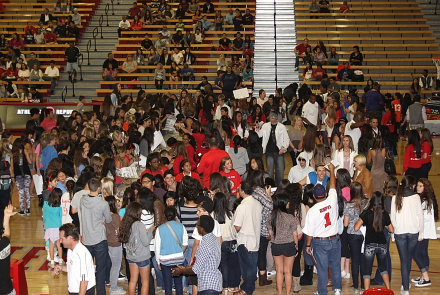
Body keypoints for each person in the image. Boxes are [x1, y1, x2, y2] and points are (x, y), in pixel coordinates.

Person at [303, 163, 342, 295]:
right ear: (325, 193)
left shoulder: (312, 211)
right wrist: (331, 169)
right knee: (336, 266)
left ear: (314, 196)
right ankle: (337, 289)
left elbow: (309, 232)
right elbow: (332, 185)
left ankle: (322, 292)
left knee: (322, 268)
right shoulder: (332, 200)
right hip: (335, 239)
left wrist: (308, 245)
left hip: (320, 243)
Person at [172, 215, 222, 295]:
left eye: (197, 225)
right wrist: (185, 268)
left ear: (202, 228)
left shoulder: (205, 245)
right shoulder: (215, 239)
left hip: (207, 285)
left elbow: (196, 269)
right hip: (214, 283)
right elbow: (202, 264)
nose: (196, 227)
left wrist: (181, 271)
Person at [390, 175, 424, 295]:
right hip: (413, 232)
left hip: (400, 232)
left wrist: (393, 235)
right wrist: (422, 232)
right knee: (408, 258)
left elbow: (392, 218)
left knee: (404, 260)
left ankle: (405, 287)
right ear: (412, 185)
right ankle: (405, 285)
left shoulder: (395, 197)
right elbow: (420, 217)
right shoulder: (416, 197)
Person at [354, 191, 393, 291]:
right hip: (382, 245)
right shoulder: (384, 214)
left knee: (367, 270)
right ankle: (388, 289)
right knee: (383, 268)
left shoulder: (366, 213)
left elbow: (356, 228)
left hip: (369, 245)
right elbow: (392, 230)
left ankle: (367, 291)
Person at [80, 178, 112, 295]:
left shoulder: (82, 200)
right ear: (99, 188)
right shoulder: (103, 204)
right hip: (99, 239)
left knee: (87, 269)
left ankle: (88, 292)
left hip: (87, 239)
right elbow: (108, 219)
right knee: (101, 271)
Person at [119, 202, 154, 295]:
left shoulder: (126, 224)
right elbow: (146, 242)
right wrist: (150, 230)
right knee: (145, 282)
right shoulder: (139, 224)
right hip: (142, 257)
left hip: (131, 256)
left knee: (133, 281)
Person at [234, 181, 262, 295]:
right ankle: (249, 287)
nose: (238, 190)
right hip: (255, 239)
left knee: (247, 269)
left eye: (239, 189)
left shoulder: (242, 207)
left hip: (245, 241)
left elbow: (237, 227)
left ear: (243, 191)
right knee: (252, 267)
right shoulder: (257, 204)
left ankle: (247, 290)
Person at [267, 193, 299, 295]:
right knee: (288, 271)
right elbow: (295, 234)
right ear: (283, 203)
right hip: (289, 245)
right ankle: (287, 294)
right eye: (287, 201)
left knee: (279, 271)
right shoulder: (290, 217)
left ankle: (280, 293)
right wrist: (296, 246)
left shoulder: (271, 217)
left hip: (276, 245)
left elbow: (270, 233)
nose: (289, 203)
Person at [54, 223, 96, 295]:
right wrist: (61, 267)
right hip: (74, 291)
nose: (60, 241)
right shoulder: (71, 250)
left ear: (70, 238)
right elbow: (73, 268)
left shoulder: (81, 255)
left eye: (62, 239)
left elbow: (84, 282)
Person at [155, 206, 188, 295]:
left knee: (167, 284)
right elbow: (185, 243)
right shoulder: (181, 226)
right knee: (178, 284)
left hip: (165, 260)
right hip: (178, 259)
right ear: (175, 215)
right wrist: (180, 252)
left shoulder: (159, 229)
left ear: (164, 215)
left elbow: (157, 247)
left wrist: (158, 261)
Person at [411, 178, 438, 287]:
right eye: (418, 185)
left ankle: (426, 277)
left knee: (416, 253)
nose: (418, 187)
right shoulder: (422, 199)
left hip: (423, 232)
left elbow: (425, 217)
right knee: (423, 253)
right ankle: (423, 276)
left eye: (421, 186)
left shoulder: (426, 201)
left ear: (426, 188)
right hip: (423, 231)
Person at [343, 182, 369, 293]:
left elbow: (345, 224)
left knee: (355, 260)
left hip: (353, 235)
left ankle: (355, 286)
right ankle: (364, 286)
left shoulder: (348, 205)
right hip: (364, 234)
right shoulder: (367, 203)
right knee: (363, 260)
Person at [260, 112, 289, 186]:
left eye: (272, 117)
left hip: (279, 151)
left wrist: (283, 148)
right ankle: (271, 186)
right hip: (269, 151)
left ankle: (279, 186)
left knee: (280, 170)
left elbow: (286, 139)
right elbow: (260, 135)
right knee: (270, 171)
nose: (271, 119)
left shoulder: (282, 127)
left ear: (276, 118)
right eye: (270, 117)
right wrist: (257, 128)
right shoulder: (265, 126)